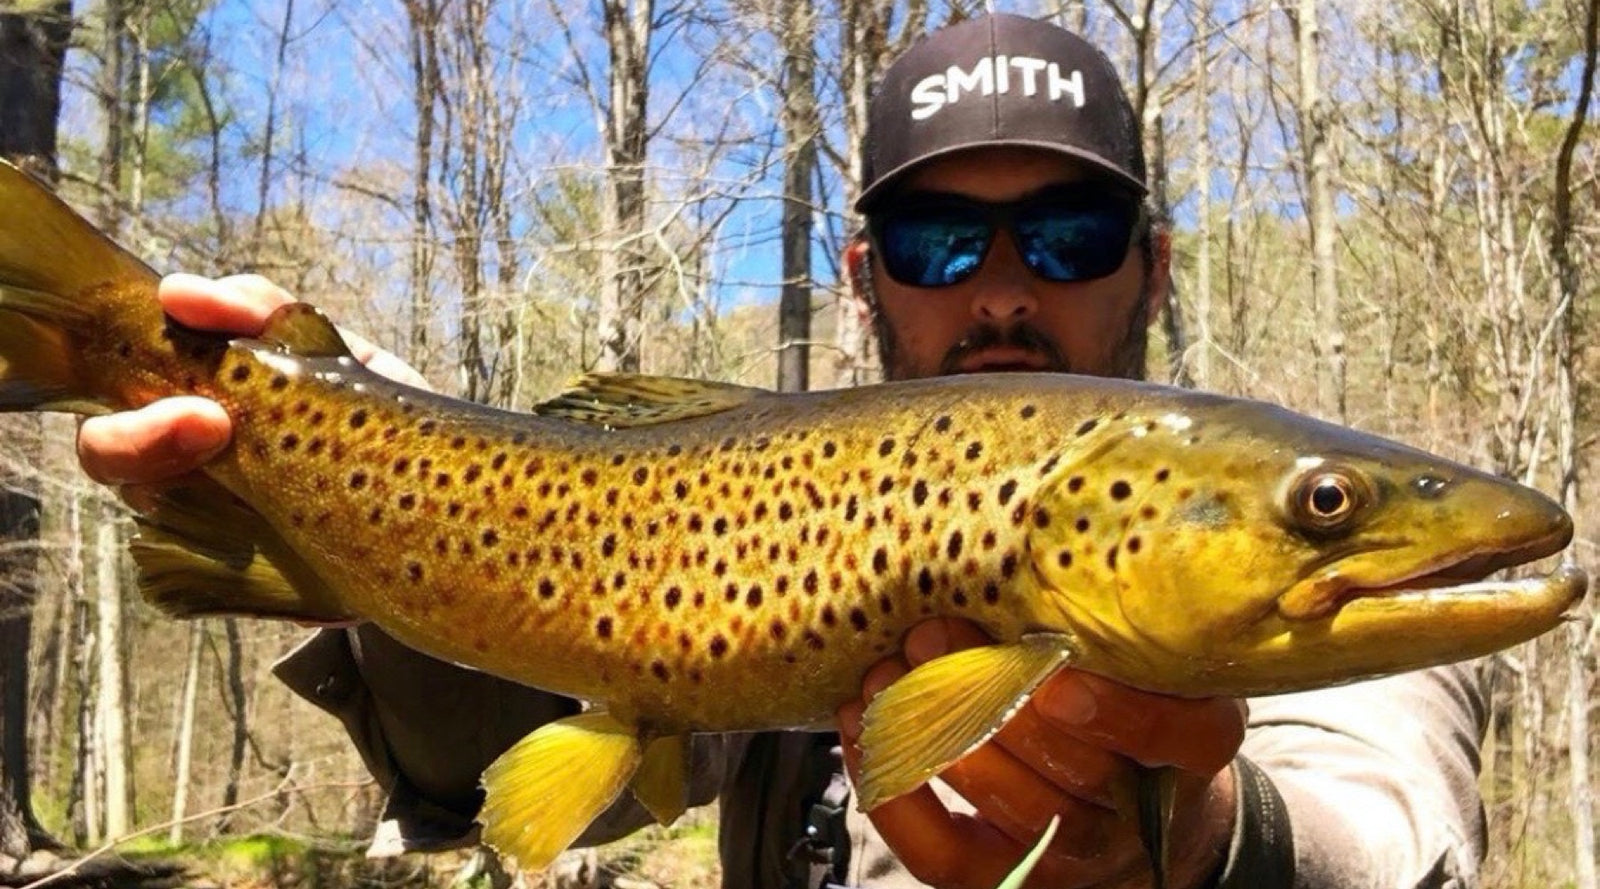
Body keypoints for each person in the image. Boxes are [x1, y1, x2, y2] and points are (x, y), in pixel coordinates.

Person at [76, 13, 1491, 889]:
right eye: (940, 239)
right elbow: (482, 773)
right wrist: (347, 459)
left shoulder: (1310, 559)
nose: (1003, 288)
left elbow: (1386, 822)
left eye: (1069, 233)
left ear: (1154, 268)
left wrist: (1214, 844)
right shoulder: (769, 495)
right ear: (866, 279)